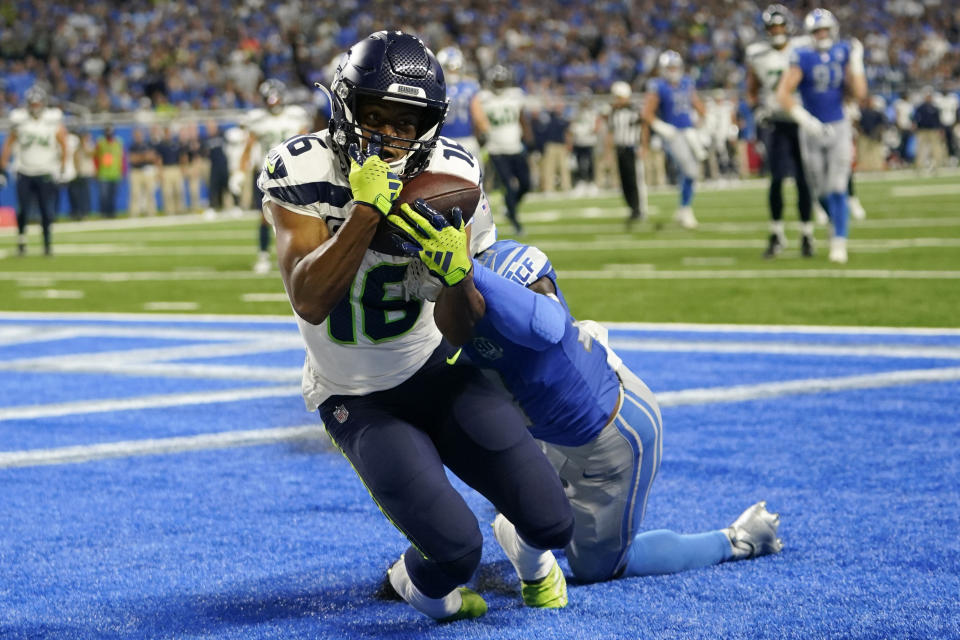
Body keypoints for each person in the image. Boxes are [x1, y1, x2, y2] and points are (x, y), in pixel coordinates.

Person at [256, 30, 573, 621]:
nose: (391, 136)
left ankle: (528, 554)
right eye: (377, 116)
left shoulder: (454, 172)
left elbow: (460, 329)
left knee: (554, 521)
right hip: (357, 395)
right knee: (455, 552)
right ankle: (412, 581)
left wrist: (458, 278)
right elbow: (311, 298)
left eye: (409, 122)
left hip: (438, 369)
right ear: (346, 107)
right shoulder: (302, 167)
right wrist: (365, 211)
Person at [391, 216, 784, 588]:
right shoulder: (436, 311)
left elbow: (548, 324)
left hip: (610, 434)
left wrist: (469, 274)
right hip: (548, 428)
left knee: (597, 569)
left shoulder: (505, 263)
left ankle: (739, 539)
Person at [776, 8, 867, 264]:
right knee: (820, 190)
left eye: (825, 29)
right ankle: (834, 224)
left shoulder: (842, 52)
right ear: (810, 34)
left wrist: (857, 63)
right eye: (817, 31)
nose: (822, 34)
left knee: (838, 187)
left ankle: (839, 241)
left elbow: (859, 92)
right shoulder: (802, 56)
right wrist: (805, 119)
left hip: (838, 126)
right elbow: (783, 94)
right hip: (811, 130)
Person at [746, 4, 814, 259]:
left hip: (801, 120)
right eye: (772, 27)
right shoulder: (757, 54)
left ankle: (807, 234)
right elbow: (751, 89)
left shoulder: (803, 49)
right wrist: (756, 109)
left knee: (803, 179)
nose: (776, 31)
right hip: (775, 122)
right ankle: (776, 234)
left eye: (780, 26)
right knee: (775, 180)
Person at [238, 78, 310, 274]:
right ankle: (263, 256)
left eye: (276, 99)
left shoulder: (295, 117)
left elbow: (308, 143)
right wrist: (239, 172)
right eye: (270, 100)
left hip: (294, 173)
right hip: (267, 175)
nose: (274, 103)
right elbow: (248, 147)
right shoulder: (258, 120)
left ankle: (301, 256)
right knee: (264, 217)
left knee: (302, 216)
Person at [643, 50, 706, 230]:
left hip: (690, 132)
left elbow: (696, 103)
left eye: (675, 67)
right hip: (673, 134)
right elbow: (647, 113)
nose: (672, 70)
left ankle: (684, 208)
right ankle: (685, 210)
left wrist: (703, 118)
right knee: (690, 171)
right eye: (669, 67)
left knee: (691, 173)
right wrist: (662, 127)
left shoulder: (687, 82)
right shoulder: (658, 86)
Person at [0, 86, 67, 256]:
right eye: (33, 104)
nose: (36, 107)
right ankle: (22, 242)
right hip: (24, 172)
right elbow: (9, 143)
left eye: (38, 104)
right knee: (23, 209)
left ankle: (47, 244)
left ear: (43, 104)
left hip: (45, 171)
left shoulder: (52, 121)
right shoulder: (21, 121)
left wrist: (63, 167)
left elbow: (63, 143)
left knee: (46, 210)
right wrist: (2, 167)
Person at [474, 64, 531, 235]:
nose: (499, 85)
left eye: (501, 82)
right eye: (496, 82)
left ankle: (509, 207)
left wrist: (530, 138)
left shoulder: (516, 96)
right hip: (496, 149)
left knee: (527, 184)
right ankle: (515, 220)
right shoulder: (483, 98)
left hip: (516, 147)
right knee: (509, 186)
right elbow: (478, 120)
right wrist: (480, 138)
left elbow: (522, 119)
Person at [607, 81, 646, 228]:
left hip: (631, 148)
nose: (616, 100)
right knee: (624, 182)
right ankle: (632, 208)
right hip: (620, 149)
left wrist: (643, 146)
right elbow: (611, 133)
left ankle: (639, 208)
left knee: (634, 180)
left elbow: (643, 129)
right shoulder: (613, 113)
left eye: (618, 97)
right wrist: (609, 151)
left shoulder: (634, 111)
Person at [436, 46, 482, 161]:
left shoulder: (435, 88)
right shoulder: (471, 86)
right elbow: (479, 118)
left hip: (441, 142)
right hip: (467, 142)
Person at [94, 125, 124, 218]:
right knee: (104, 196)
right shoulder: (101, 142)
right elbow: (95, 157)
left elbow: (121, 158)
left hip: (115, 173)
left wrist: (122, 170)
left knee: (113, 196)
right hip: (103, 173)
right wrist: (96, 170)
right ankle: (103, 213)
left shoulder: (118, 142)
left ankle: (112, 213)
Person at [155, 126, 186, 215]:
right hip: (166, 169)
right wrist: (160, 171)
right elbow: (159, 159)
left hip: (176, 168)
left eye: (169, 133)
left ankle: (180, 210)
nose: (168, 135)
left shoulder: (176, 143)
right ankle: (169, 211)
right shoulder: (161, 145)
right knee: (167, 193)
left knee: (178, 191)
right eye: (166, 133)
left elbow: (181, 156)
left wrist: (182, 167)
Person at [127, 127, 158, 217]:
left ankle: (151, 213)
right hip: (136, 171)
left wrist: (141, 157)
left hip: (147, 171)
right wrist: (144, 156)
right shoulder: (132, 146)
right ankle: (134, 214)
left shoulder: (148, 144)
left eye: (139, 135)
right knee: (135, 194)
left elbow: (152, 157)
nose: (138, 137)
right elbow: (133, 159)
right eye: (136, 135)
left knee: (150, 193)